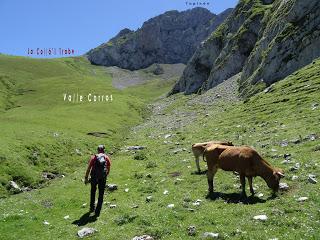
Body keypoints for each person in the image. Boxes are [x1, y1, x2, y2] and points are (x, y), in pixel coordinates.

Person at [84, 145, 111, 216]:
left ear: (98, 150)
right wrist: (105, 175)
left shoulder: (94, 157)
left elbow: (89, 168)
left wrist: (86, 177)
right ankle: (98, 211)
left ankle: (92, 208)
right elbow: (108, 167)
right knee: (101, 193)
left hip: (94, 177)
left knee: (93, 191)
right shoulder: (106, 157)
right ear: (104, 150)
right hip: (102, 177)